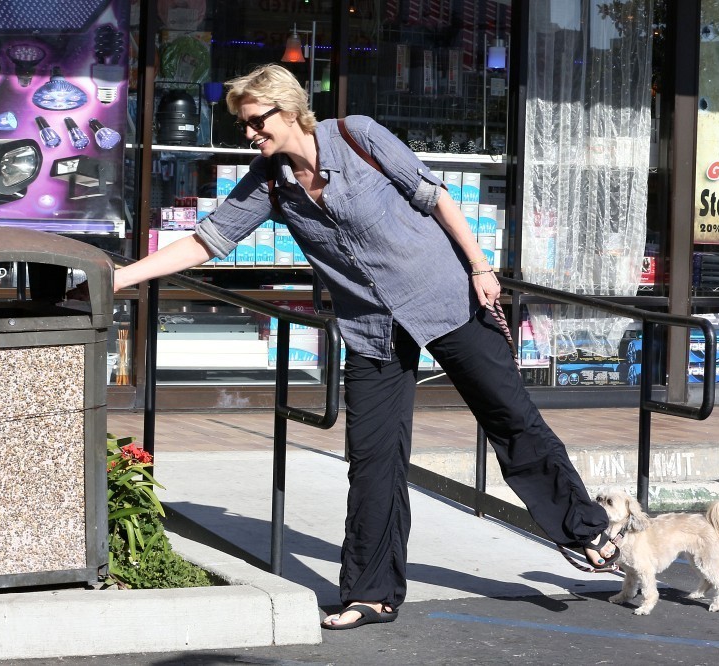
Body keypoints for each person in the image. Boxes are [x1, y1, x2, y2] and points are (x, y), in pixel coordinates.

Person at [111, 64, 617, 630]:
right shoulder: (270, 181)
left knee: (511, 418)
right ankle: (371, 592)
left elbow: (435, 197)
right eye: (243, 125)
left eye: (254, 121)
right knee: (374, 459)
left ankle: (585, 530)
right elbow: (207, 241)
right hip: (371, 328)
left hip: (445, 297)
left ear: (288, 109)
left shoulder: (359, 135)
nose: (249, 134)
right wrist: (120, 278)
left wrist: (480, 266)